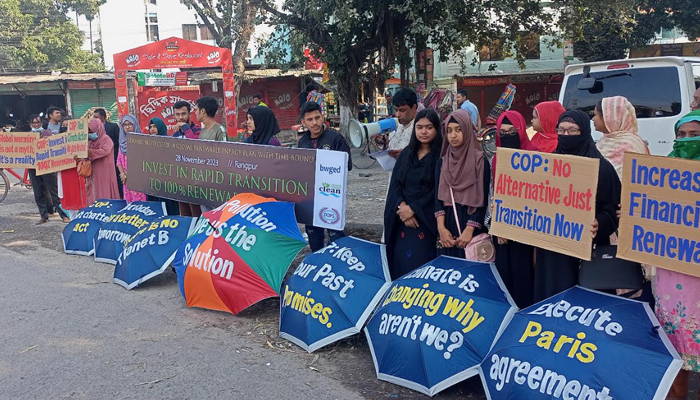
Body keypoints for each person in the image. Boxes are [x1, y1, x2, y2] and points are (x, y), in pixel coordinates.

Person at [533, 110, 621, 302]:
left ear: (584, 132)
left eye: (572, 131)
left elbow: (614, 209)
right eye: (561, 131)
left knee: (587, 303)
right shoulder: (548, 164)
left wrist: (600, 222)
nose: (566, 136)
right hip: (553, 250)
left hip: (587, 250)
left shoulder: (602, 167)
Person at [655, 111, 700, 400]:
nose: (686, 141)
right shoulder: (662, 171)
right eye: (681, 135)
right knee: (673, 350)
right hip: (670, 272)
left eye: (694, 134)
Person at [385, 109, 443, 279]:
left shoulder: (441, 156)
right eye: (419, 127)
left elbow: (437, 189)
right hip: (401, 220)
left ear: (437, 129)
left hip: (425, 221)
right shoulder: (406, 155)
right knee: (400, 265)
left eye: (429, 127)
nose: (424, 132)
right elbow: (396, 184)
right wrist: (403, 207)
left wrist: (414, 210)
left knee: (421, 266)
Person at [492, 111, 538, 308]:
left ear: (521, 131)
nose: (508, 135)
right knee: (503, 279)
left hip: (527, 231)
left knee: (524, 279)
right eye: (503, 132)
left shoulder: (536, 157)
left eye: (512, 131)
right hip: (502, 232)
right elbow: (494, 194)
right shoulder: (496, 160)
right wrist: (500, 226)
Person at [435, 109, 490, 259]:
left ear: (466, 130)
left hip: (471, 226)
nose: (453, 135)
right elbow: (437, 199)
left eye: (459, 130)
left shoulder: (480, 161)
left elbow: (483, 199)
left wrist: (470, 230)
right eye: (449, 131)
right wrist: (441, 229)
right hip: (447, 227)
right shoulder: (442, 162)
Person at [297, 101, 352, 251]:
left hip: (332, 197)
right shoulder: (302, 143)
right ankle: (318, 265)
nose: (314, 123)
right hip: (311, 199)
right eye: (309, 120)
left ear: (323, 117)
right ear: (303, 122)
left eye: (317, 117)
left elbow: (348, 166)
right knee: (314, 239)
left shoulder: (335, 138)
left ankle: (337, 268)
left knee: (336, 238)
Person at [26, 114, 70, 224]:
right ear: (30, 124)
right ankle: (43, 216)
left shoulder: (48, 133)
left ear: (41, 123)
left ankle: (64, 215)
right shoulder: (26, 136)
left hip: (47, 166)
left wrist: (47, 140)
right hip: (33, 167)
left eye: (38, 122)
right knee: (38, 192)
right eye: (34, 123)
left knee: (54, 192)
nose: (36, 124)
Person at [593, 96, 649, 180]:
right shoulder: (605, 139)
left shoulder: (629, 145)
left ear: (609, 117)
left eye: (595, 115)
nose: (593, 119)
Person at [145, 117, 181, 215]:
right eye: (150, 127)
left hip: (166, 183)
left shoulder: (169, 142)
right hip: (152, 183)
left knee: (169, 210)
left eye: (155, 127)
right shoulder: (147, 143)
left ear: (160, 127)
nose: (152, 129)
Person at [82, 119, 120, 205]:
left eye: (91, 131)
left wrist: (89, 152)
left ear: (98, 129)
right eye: (88, 131)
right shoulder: (90, 142)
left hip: (104, 171)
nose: (90, 133)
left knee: (104, 188)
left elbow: (105, 151)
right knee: (93, 190)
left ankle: (106, 209)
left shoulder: (106, 139)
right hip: (93, 172)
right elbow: (85, 155)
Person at [116, 114, 146, 203]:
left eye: (130, 124)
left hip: (138, 178)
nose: (127, 127)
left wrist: (130, 174)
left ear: (135, 125)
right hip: (126, 179)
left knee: (140, 203)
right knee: (129, 203)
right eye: (125, 125)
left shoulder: (141, 141)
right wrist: (122, 174)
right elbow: (118, 160)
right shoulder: (122, 142)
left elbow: (142, 160)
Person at [93, 108, 122, 199]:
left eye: (96, 117)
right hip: (100, 160)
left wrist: (117, 157)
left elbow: (119, 141)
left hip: (113, 158)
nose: (94, 119)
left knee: (117, 179)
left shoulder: (113, 126)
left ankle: (119, 197)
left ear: (103, 117)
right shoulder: (93, 129)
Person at [388, 88, 419, 159]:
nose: (397, 114)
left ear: (414, 108)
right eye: (396, 110)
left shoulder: (422, 128)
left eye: (402, 110)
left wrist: (407, 155)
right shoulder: (395, 126)